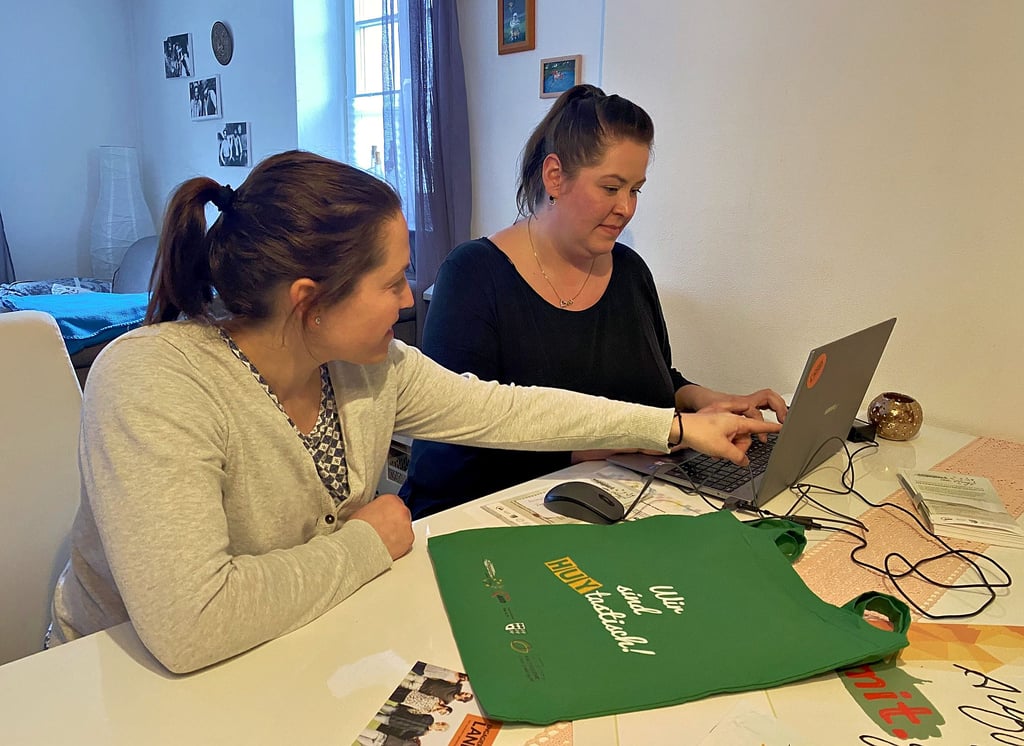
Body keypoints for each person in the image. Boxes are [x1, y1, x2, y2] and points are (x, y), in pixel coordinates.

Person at [48, 150, 778, 674]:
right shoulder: (153, 381)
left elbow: (507, 412)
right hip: (115, 683)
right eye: (393, 280)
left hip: (286, 645)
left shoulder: (368, 368)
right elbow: (192, 625)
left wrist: (677, 427)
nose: (409, 300)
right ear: (311, 302)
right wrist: (371, 539)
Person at [401, 84, 789, 518]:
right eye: (611, 187)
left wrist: (704, 402)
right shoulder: (473, 275)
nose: (626, 207)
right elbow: (449, 451)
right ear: (555, 177)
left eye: (636, 190)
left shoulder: (630, 271)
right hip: (488, 519)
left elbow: (650, 380)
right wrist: (625, 441)